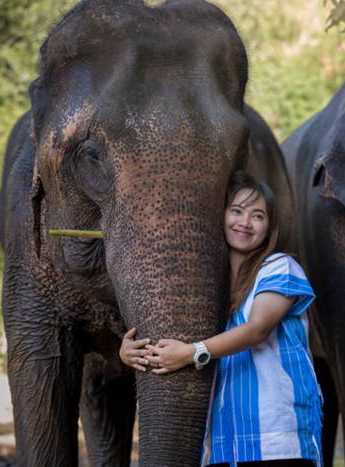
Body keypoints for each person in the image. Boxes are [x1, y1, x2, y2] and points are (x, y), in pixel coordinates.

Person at [119, 170, 323, 467]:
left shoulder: (280, 267)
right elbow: (168, 344)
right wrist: (130, 352)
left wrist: (192, 352)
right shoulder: (206, 289)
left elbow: (257, 330)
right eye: (237, 211)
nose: (245, 222)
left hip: (278, 439)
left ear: (269, 227)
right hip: (222, 444)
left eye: (258, 216)